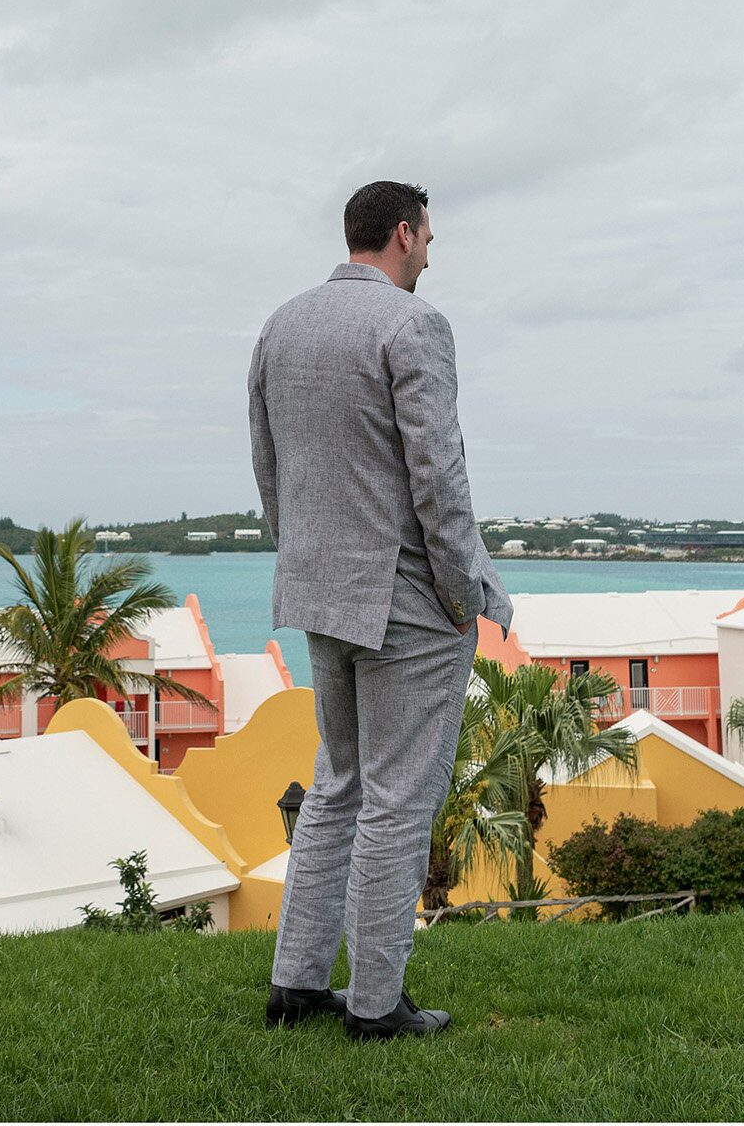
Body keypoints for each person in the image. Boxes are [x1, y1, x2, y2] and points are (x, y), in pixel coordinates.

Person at [248, 179, 512, 1041]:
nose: (431, 252)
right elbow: (440, 478)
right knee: (397, 799)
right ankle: (373, 1005)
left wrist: (305, 559)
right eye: (429, 237)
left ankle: (296, 983)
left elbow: (270, 466)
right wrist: (460, 592)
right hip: (404, 598)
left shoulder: (282, 324)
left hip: (320, 590)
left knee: (338, 785)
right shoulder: (413, 324)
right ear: (402, 234)